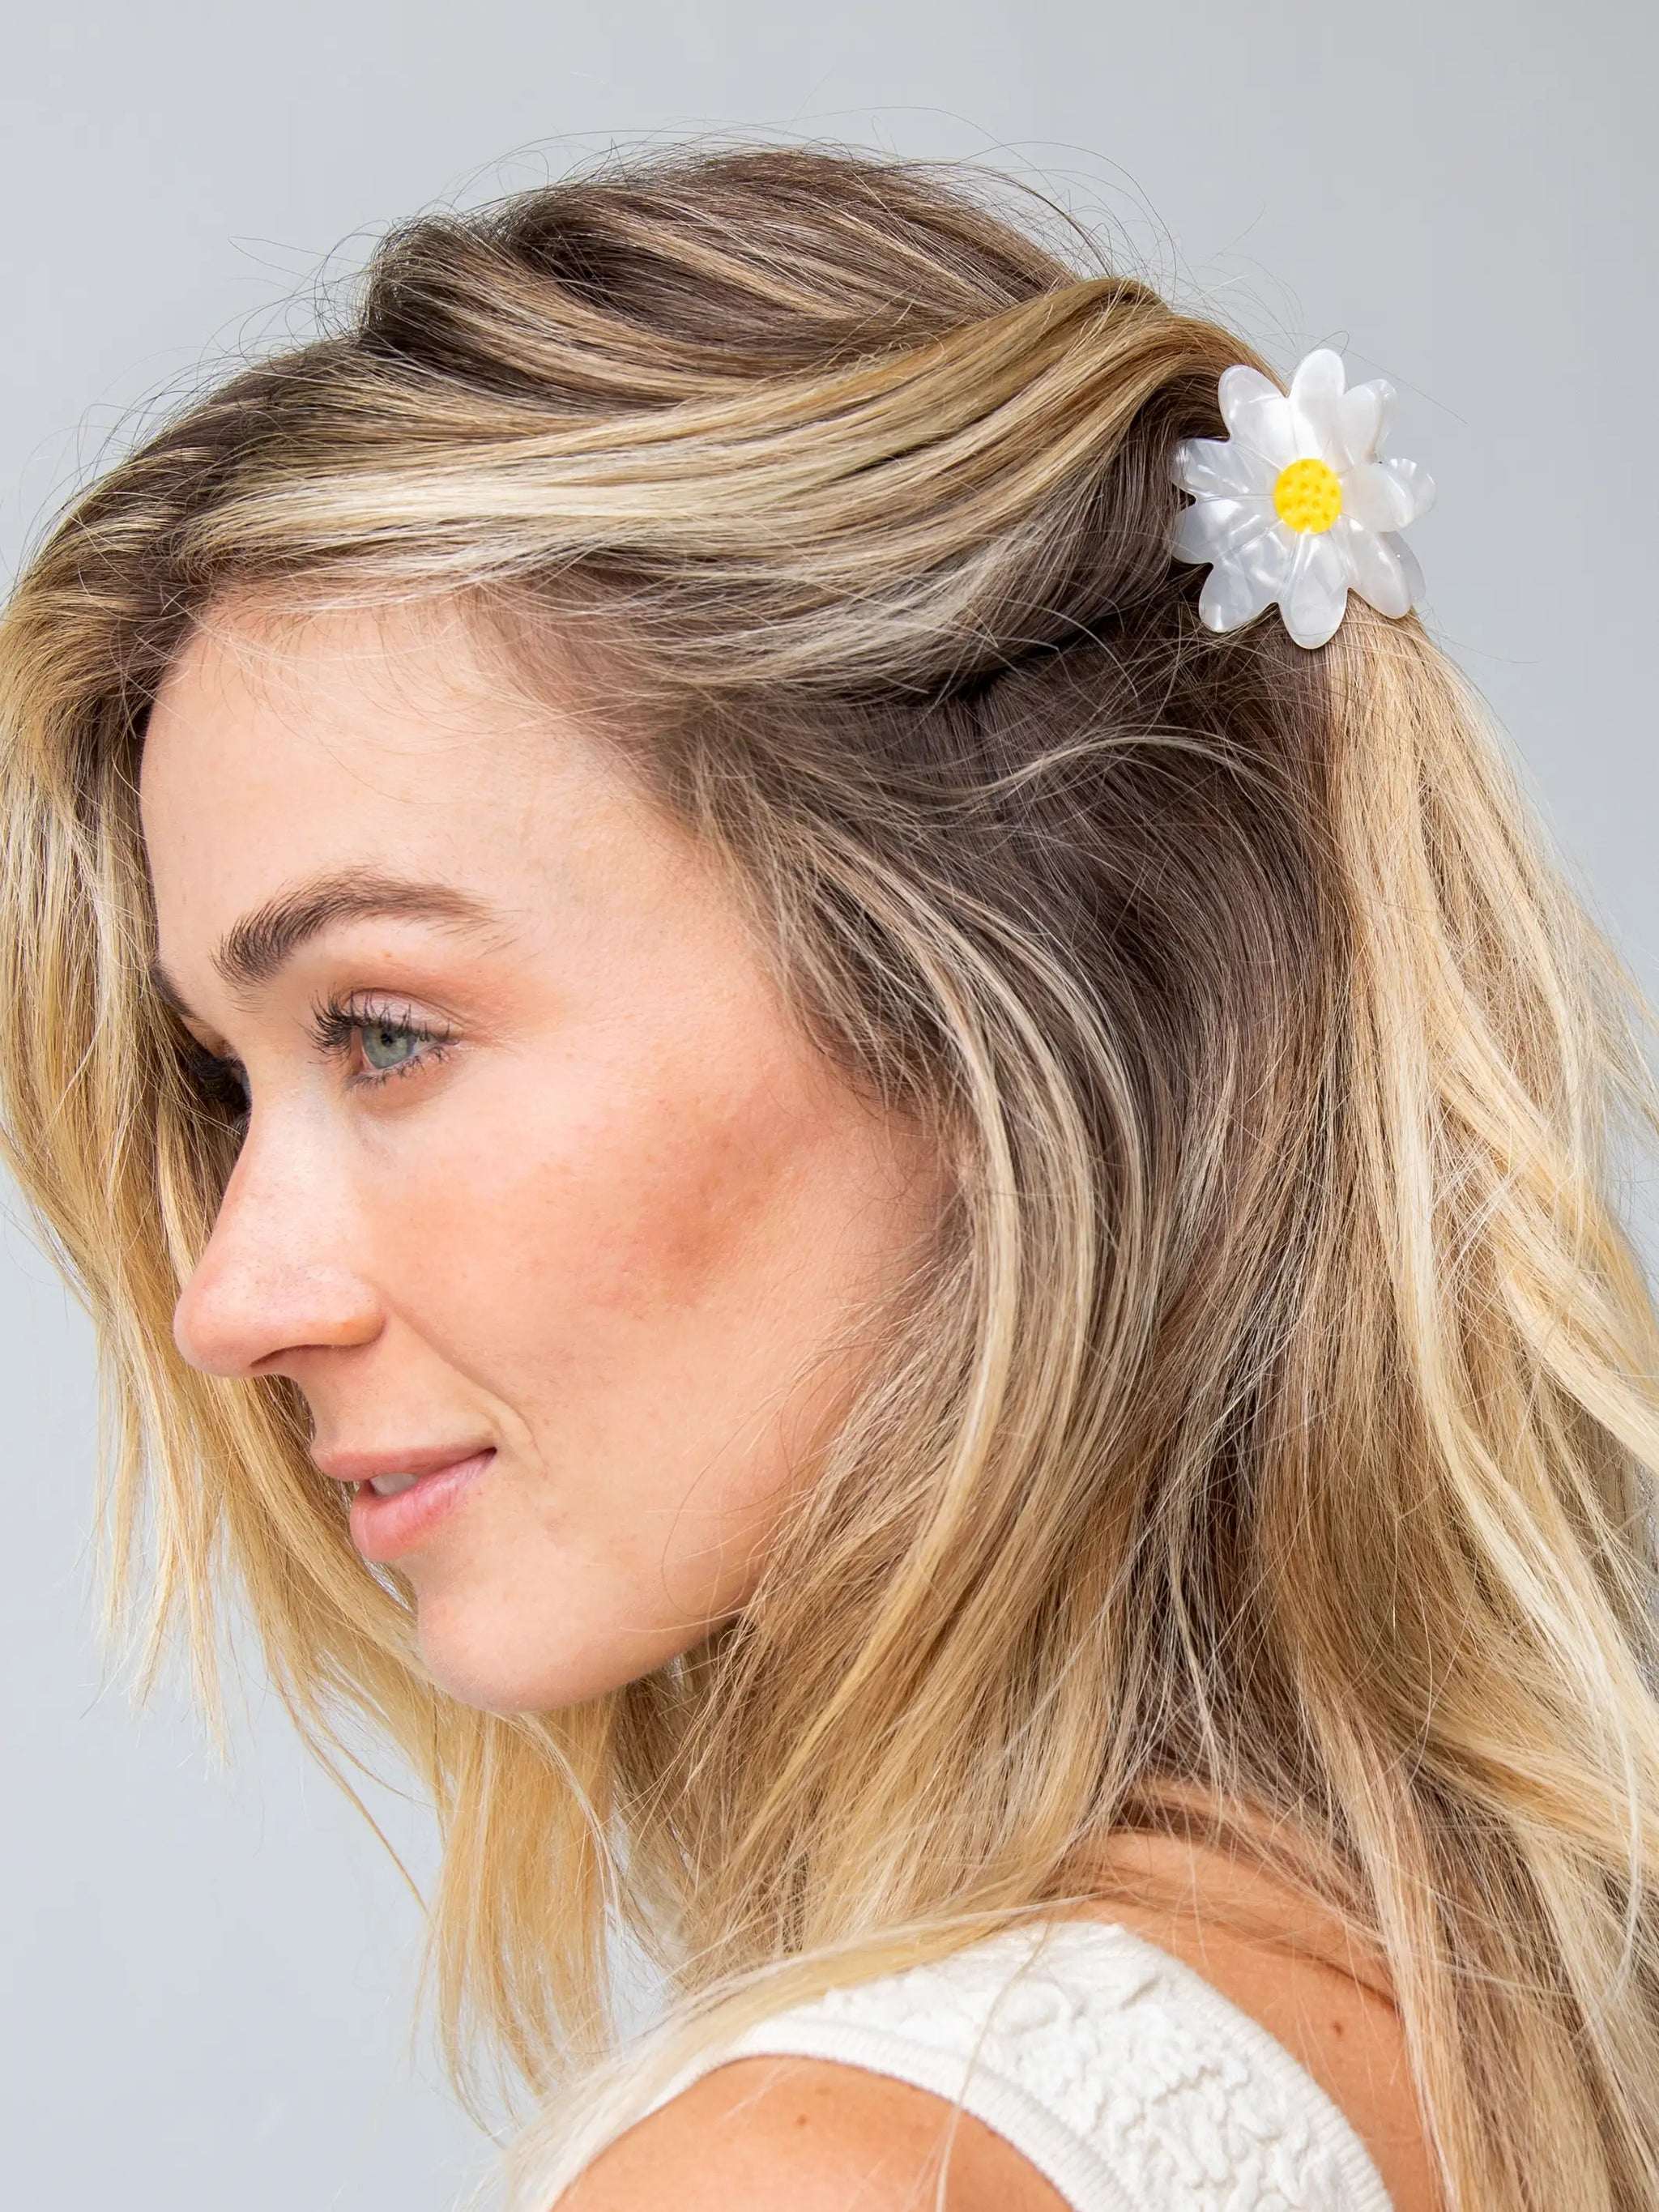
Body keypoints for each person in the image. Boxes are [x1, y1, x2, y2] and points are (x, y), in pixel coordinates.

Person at [1, 140, 1655, 2212]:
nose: (229, 1300)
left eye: (385, 1029)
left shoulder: (839, 2169)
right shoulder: (1507, 2036)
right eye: (224, 1085)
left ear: (993, 1000)